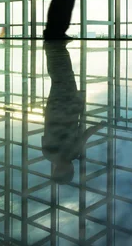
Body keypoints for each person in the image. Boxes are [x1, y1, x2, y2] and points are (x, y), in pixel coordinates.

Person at [42, 41, 104, 184]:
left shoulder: (60, 153)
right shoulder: (52, 154)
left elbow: (84, 136)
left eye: (70, 171)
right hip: (58, 107)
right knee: (61, 78)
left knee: (62, 77)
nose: (72, 169)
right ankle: (56, 47)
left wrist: (99, 126)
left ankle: (54, 47)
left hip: (65, 107)